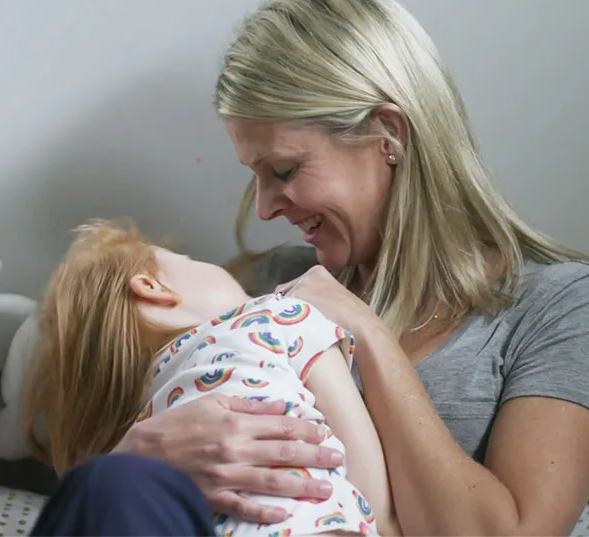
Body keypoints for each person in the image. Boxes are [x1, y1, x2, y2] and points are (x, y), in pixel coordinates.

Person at [32, 0, 589, 536]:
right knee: (112, 481)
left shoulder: (566, 306)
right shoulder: (272, 288)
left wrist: (366, 331)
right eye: (255, 176)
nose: (264, 209)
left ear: (387, 135)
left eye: (284, 169)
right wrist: (138, 450)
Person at [24, 219, 397, 536]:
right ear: (152, 287)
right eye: (189, 259)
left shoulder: (148, 417)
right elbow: (362, 465)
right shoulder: (277, 315)